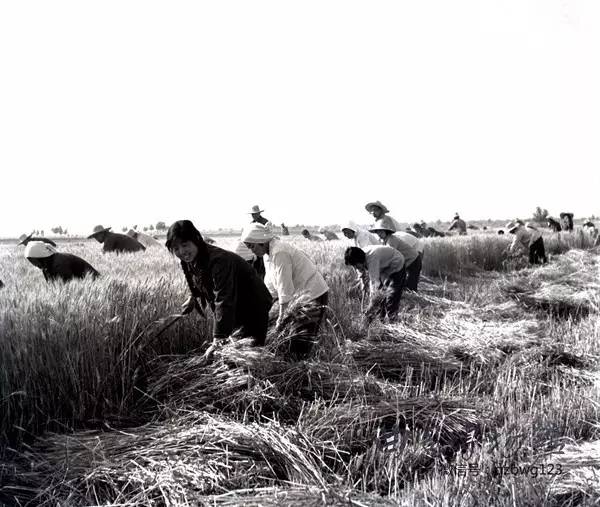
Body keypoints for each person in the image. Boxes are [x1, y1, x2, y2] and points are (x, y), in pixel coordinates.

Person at [166, 220, 273, 349]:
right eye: (176, 248)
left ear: (196, 240)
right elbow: (195, 278)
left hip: (253, 305)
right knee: (230, 352)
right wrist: (193, 297)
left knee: (248, 353)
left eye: (185, 245)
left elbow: (223, 298)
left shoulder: (219, 261)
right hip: (234, 306)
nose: (181, 251)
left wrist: (218, 338)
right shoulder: (188, 259)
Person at [241, 223, 329, 360]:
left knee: (301, 339)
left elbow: (284, 288)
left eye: (252, 246)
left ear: (261, 242)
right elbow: (270, 284)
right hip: (297, 296)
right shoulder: (266, 254)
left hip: (312, 294)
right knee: (288, 336)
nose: (251, 250)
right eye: (248, 247)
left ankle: (303, 371)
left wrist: (281, 318)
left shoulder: (279, 252)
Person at [344, 245, 406, 322]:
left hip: (396, 265)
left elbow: (374, 283)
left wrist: (371, 303)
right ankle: (381, 319)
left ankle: (393, 322)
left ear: (361, 260)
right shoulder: (357, 255)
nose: (355, 268)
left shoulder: (373, 259)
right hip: (384, 268)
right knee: (381, 295)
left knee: (391, 296)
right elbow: (360, 271)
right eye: (353, 266)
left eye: (355, 265)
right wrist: (362, 282)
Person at [369, 222, 423, 291]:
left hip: (413, 261)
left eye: (381, 232)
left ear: (386, 231)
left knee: (411, 288)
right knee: (402, 284)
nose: (379, 234)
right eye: (377, 232)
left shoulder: (391, 240)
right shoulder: (385, 241)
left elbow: (389, 258)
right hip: (406, 262)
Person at [24, 241, 99, 282]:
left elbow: (67, 286)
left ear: (39, 257)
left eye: (32, 260)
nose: (33, 264)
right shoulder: (47, 265)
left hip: (95, 283)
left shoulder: (59, 263)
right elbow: (52, 287)